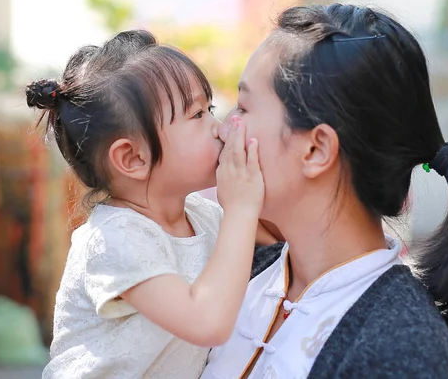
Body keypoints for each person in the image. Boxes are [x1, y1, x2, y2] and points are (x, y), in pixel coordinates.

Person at [202, 4, 448, 378]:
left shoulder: (403, 354)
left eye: (244, 107)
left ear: (316, 150)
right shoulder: (248, 270)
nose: (223, 129)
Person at [26, 30, 273, 379]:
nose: (218, 129)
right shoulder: (113, 239)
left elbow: (278, 250)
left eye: (210, 109)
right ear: (132, 158)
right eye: (197, 115)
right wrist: (243, 209)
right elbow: (205, 323)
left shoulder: (204, 217)